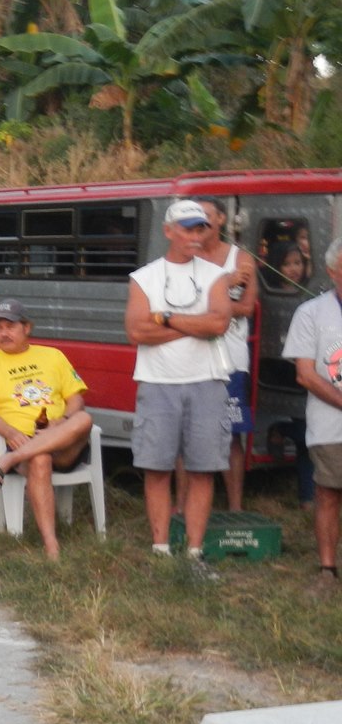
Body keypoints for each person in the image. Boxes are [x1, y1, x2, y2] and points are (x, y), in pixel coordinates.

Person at [123, 199, 232, 568]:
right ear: (168, 231)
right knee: (157, 468)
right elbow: (137, 331)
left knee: (203, 468)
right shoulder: (145, 277)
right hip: (158, 381)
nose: (195, 235)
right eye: (188, 228)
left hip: (207, 381)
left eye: (201, 228)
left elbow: (219, 324)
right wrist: (193, 326)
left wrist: (166, 318)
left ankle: (194, 551)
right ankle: (161, 549)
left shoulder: (215, 276)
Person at [0, 300, 94, 561]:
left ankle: (7, 461)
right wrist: (10, 433)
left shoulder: (53, 356)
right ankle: (52, 546)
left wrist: (61, 421)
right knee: (40, 458)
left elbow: (76, 401)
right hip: (22, 443)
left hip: (62, 443)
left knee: (83, 419)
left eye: (10, 326)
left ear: (27, 328)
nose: (3, 333)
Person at [282, 236, 342, 586]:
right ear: (333, 272)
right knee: (328, 493)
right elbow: (305, 374)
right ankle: (327, 570)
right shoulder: (311, 313)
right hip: (330, 425)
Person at [195, 198, 258, 511]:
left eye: (206, 215)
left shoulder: (241, 258)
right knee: (187, 434)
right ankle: (184, 506)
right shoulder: (187, 257)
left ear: (221, 219)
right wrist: (223, 290)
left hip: (230, 360)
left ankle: (235, 508)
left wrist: (203, 301)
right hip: (191, 358)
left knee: (230, 434)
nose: (199, 222)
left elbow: (246, 308)